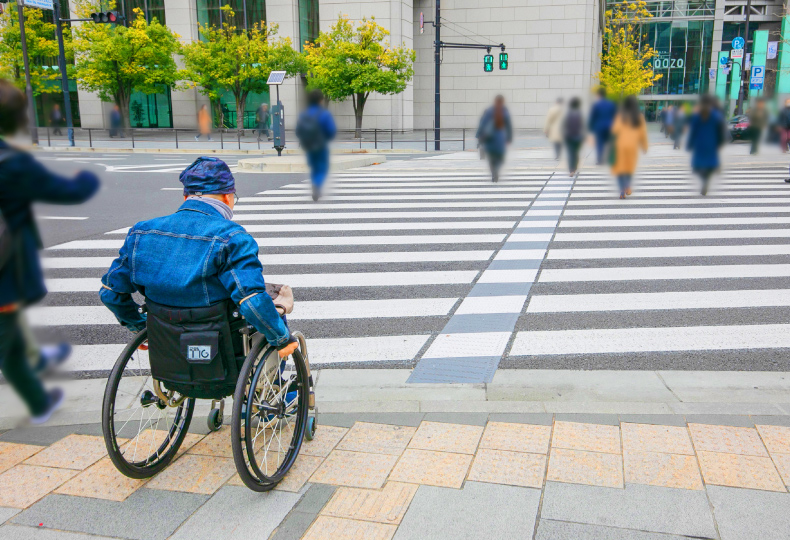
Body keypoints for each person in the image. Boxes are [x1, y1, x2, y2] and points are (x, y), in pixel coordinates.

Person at [99, 157, 298, 362]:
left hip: (166, 340)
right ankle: (282, 388)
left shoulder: (141, 233)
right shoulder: (232, 237)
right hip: (218, 345)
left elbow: (110, 292)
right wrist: (282, 338)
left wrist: (140, 326)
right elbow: (251, 300)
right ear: (228, 196)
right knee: (271, 302)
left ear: (186, 196)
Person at [0, 79, 100, 424]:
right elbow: (67, 191)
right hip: (6, 274)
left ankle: (38, 384)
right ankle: (38, 391)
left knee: (9, 334)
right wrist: (86, 177)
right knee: (6, 340)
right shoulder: (11, 162)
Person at [296, 90, 336, 201]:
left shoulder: (303, 114)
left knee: (314, 168)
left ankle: (315, 184)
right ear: (320, 100)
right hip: (321, 145)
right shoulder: (324, 114)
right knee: (322, 168)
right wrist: (325, 138)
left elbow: (298, 131)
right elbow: (331, 131)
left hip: (308, 145)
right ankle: (317, 185)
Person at [686, 94, 726, 196]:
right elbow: (720, 130)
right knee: (710, 164)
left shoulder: (697, 116)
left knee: (697, 166)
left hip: (699, 143)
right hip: (711, 143)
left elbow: (693, 131)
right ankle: (706, 179)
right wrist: (720, 142)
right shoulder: (716, 115)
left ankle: (704, 179)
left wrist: (689, 144)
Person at [610, 95, 648, 199]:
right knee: (629, 167)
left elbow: (614, 130)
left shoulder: (620, 116)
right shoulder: (639, 117)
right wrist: (644, 146)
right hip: (632, 146)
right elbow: (642, 133)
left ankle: (622, 189)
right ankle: (627, 185)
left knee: (620, 167)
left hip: (620, 145)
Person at [476, 95, 513, 183]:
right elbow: (508, 126)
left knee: (492, 158)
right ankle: (496, 170)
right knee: (499, 157)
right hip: (499, 137)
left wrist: (479, 135)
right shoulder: (504, 111)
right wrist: (509, 138)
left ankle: (494, 172)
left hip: (490, 138)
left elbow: (483, 123)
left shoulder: (490, 111)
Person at [588, 88, 616, 165]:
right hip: (610, 126)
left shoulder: (596, 105)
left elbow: (593, 117)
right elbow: (615, 115)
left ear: (598, 95)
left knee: (600, 143)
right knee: (610, 143)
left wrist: (590, 128)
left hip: (599, 127)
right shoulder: (611, 104)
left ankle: (600, 160)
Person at [563, 97, 585, 176]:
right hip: (578, 137)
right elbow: (583, 126)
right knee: (576, 153)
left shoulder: (568, 114)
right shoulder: (580, 114)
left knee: (570, 153)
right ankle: (574, 167)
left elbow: (564, 126)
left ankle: (571, 170)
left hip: (569, 136)